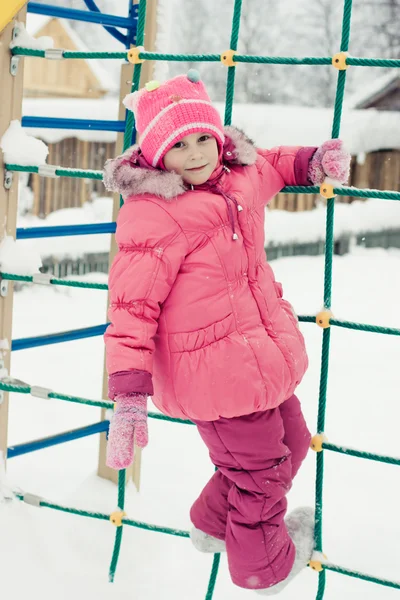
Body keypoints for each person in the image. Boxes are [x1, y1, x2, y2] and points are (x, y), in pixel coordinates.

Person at [102, 70, 350, 594]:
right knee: (260, 474)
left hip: (259, 355)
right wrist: (128, 393)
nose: (195, 155)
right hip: (212, 378)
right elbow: (131, 308)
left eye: (202, 139)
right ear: (153, 157)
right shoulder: (154, 218)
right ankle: (264, 567)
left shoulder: (237, 178)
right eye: (177, 146)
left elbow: (275, 163)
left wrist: (313, 162)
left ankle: (215, 522)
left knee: (295, 443)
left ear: (218, 139)